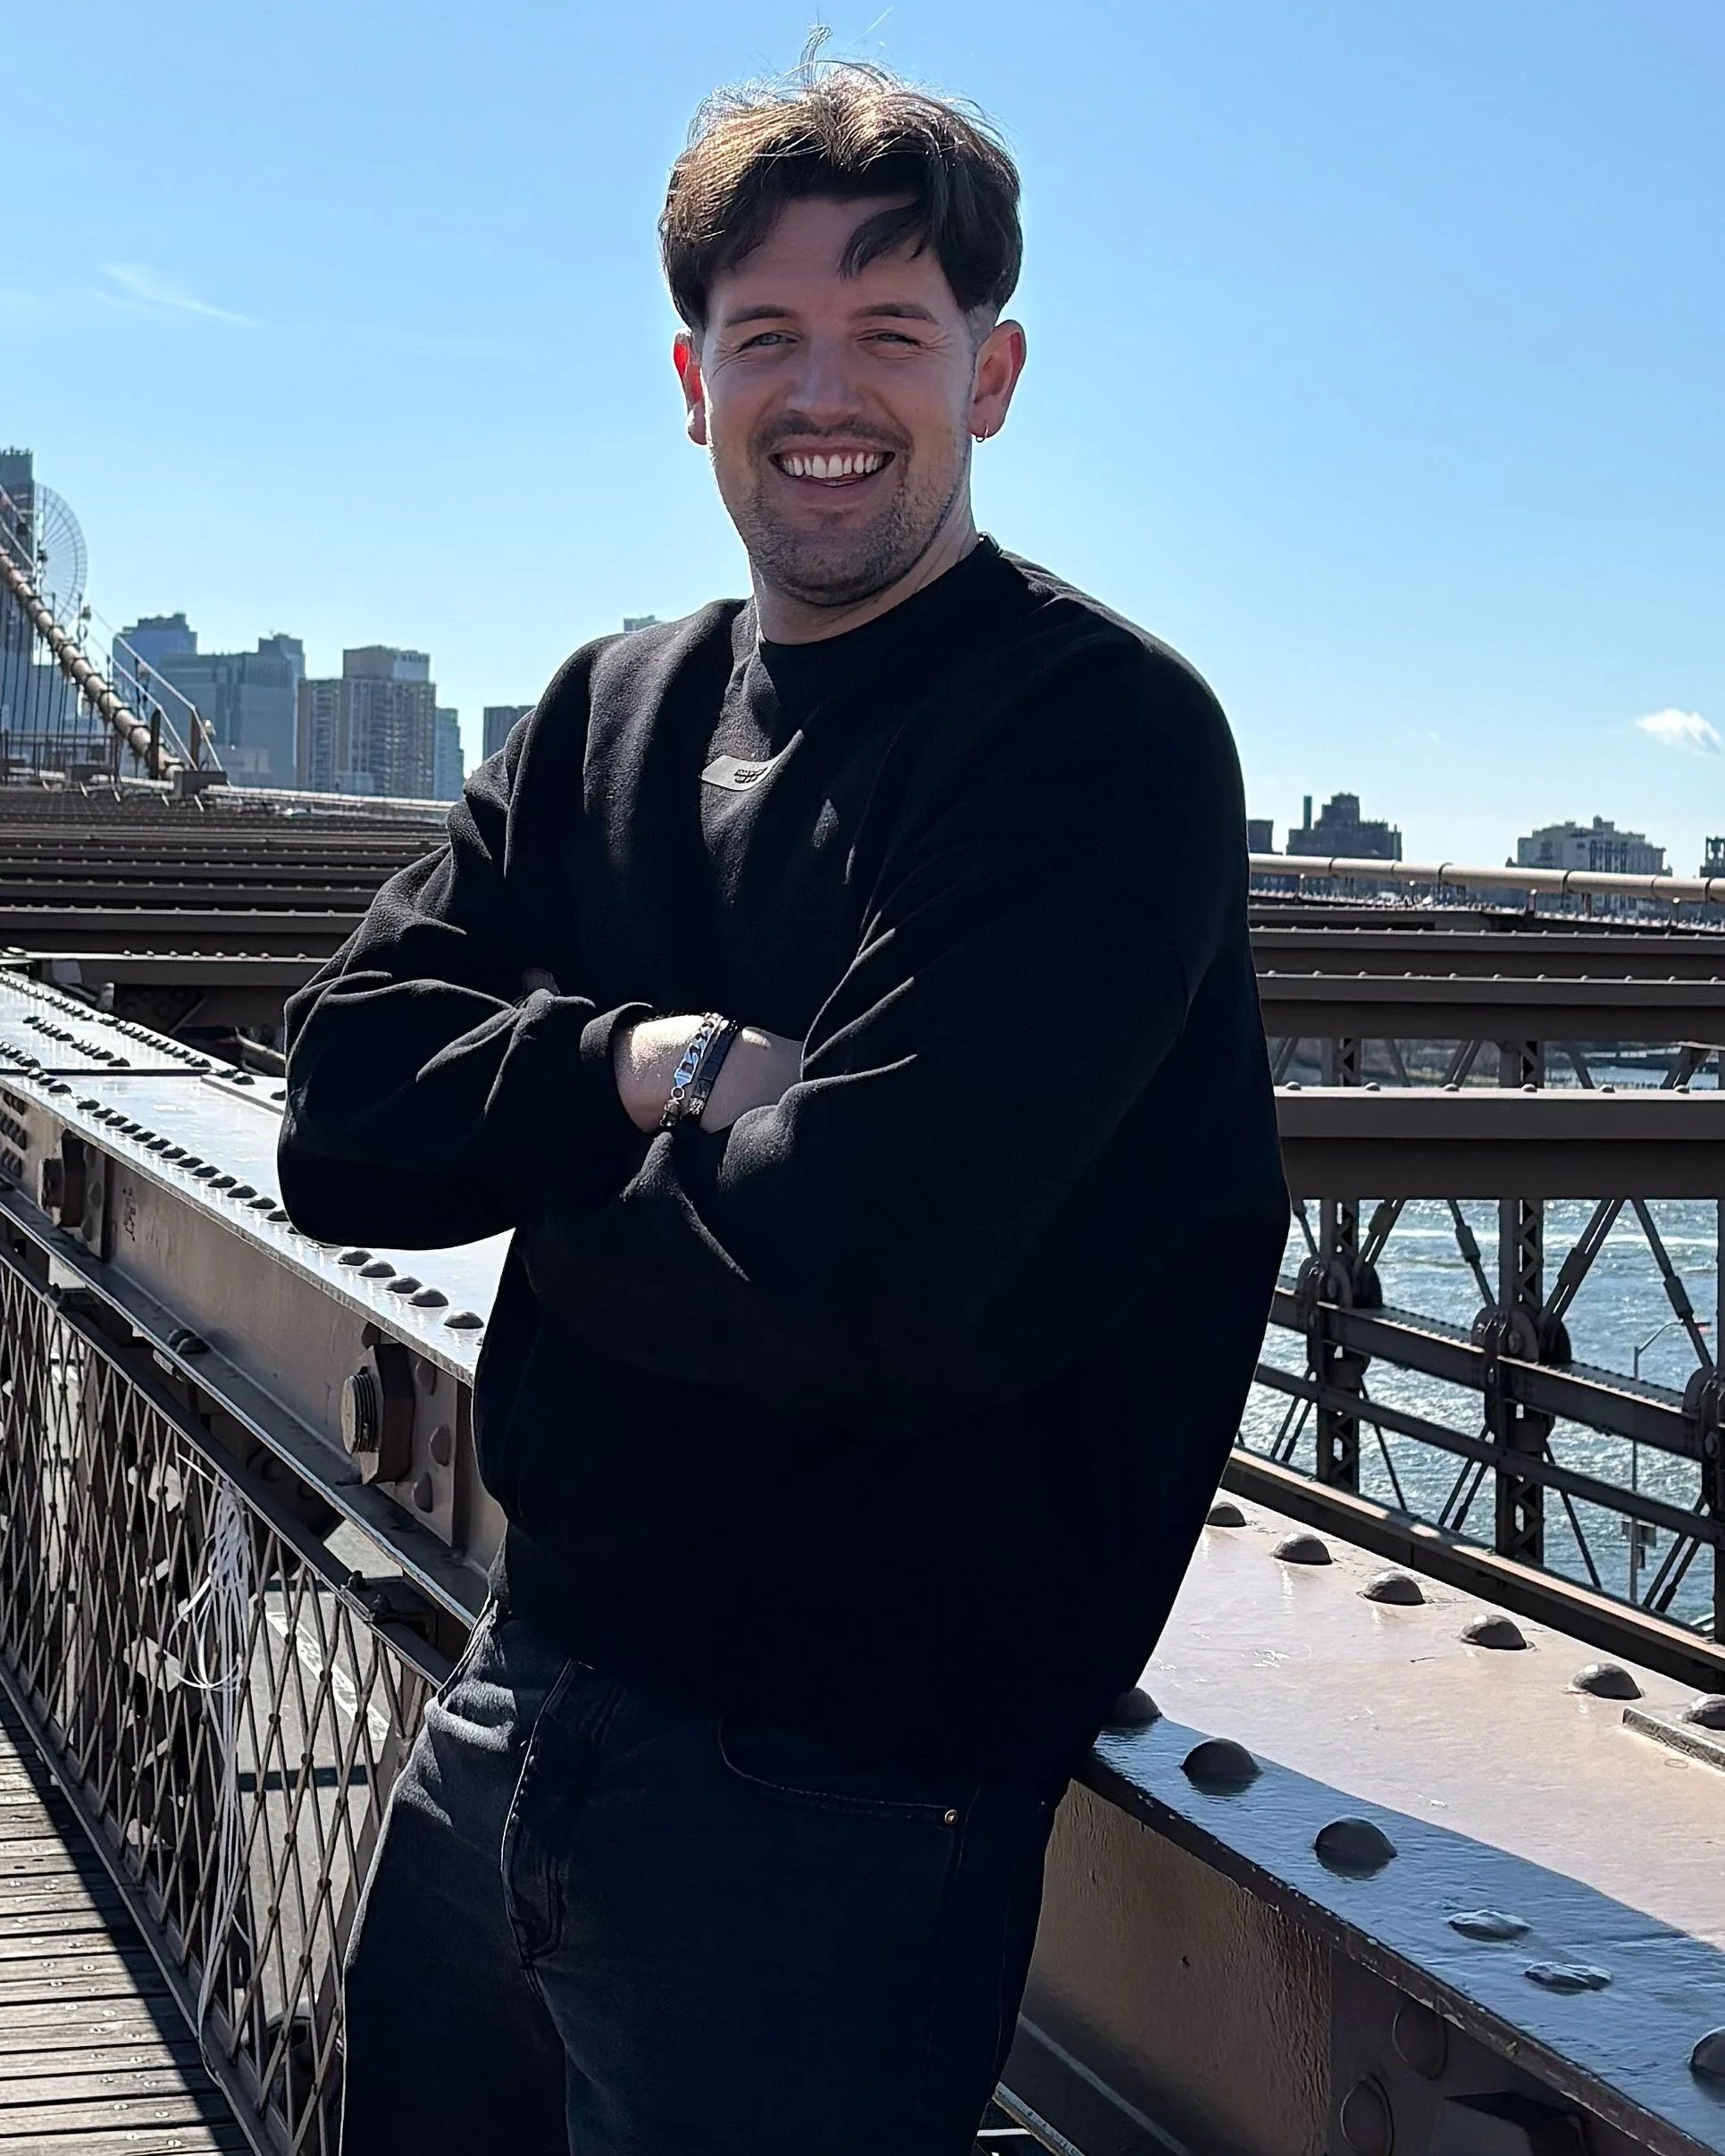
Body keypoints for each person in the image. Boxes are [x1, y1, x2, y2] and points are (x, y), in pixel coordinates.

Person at [280, 52, 1287, 2156]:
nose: (823, 393)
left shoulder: (1090, 744)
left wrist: (531, 1175)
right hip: (514, 1688)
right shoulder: (601, 710)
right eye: (769, 339)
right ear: (689, 377)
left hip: (847, 1790)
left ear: (990, 375)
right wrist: (645, 1070)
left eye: (888, 333)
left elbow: (855, 1287)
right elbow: (336, 1117)